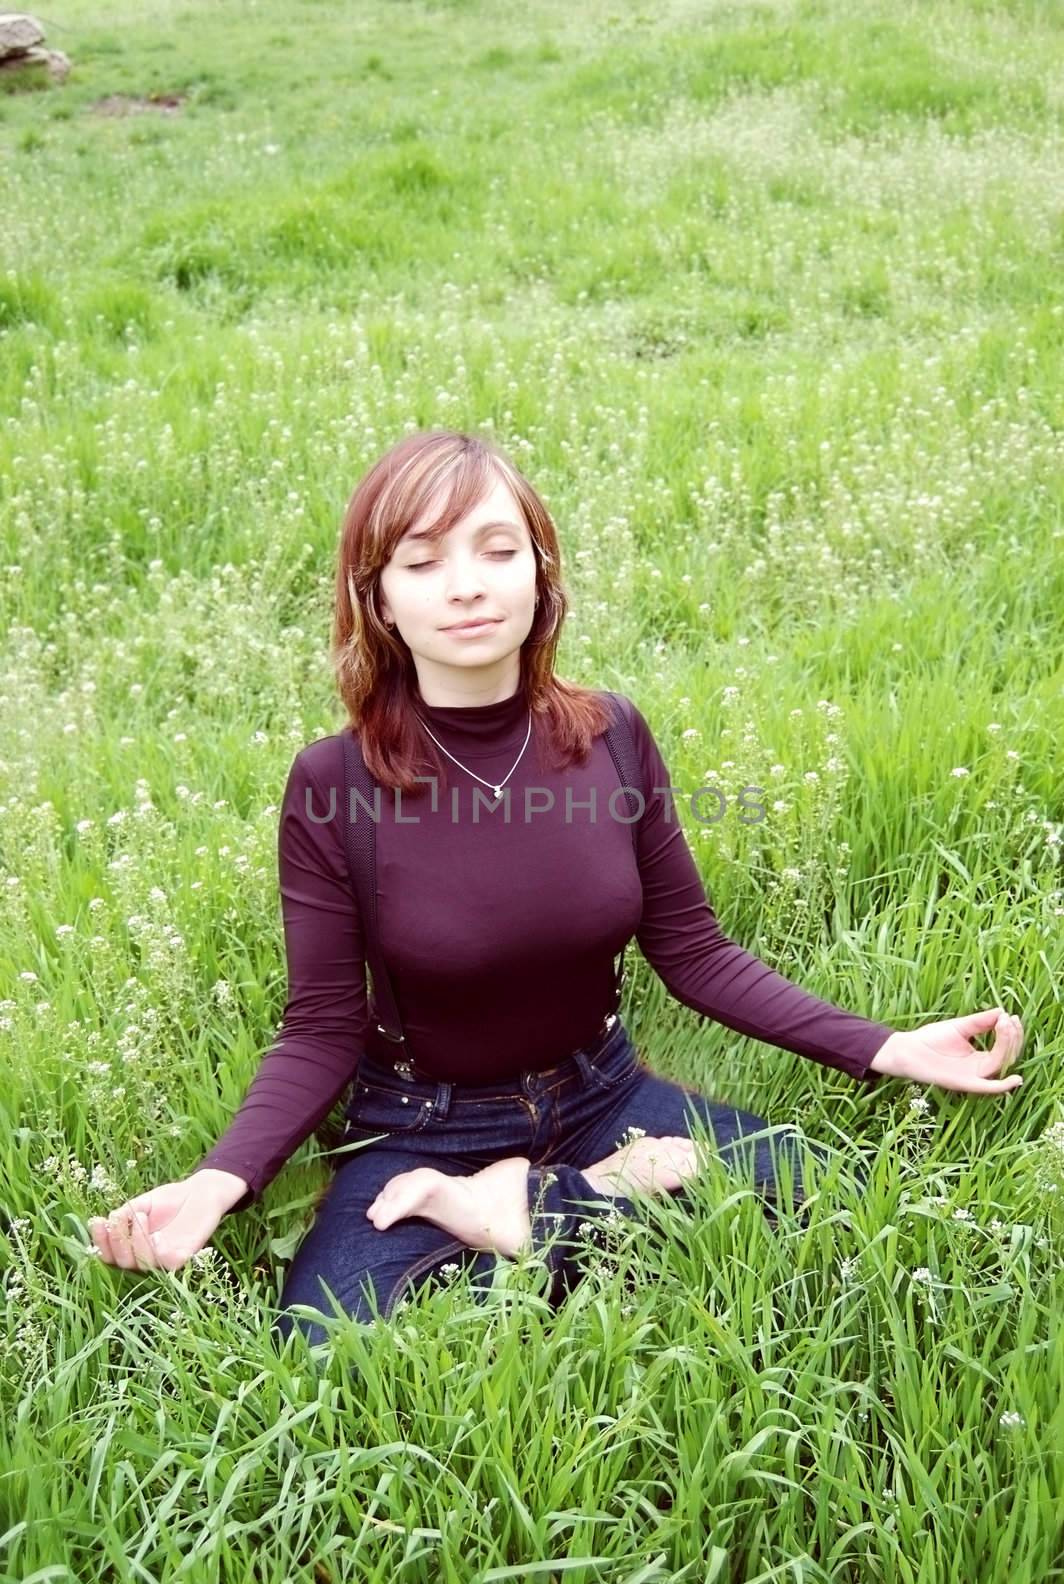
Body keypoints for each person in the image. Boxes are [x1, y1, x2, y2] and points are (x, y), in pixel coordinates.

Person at [88, 430, 1026, 1344]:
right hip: (425, 1123)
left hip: (602, 1093)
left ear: (541, 573)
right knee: (328, 1342)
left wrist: (889, 1048)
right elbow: (324, 1027)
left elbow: (694, 954)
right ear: (376, 600)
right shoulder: (336, 785)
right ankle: (597, 1201)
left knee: (844, 1200)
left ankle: (541, 1209)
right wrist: (218, 1183)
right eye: (421, 564)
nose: (467, 585)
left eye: (498, 551)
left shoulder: (610, 734)